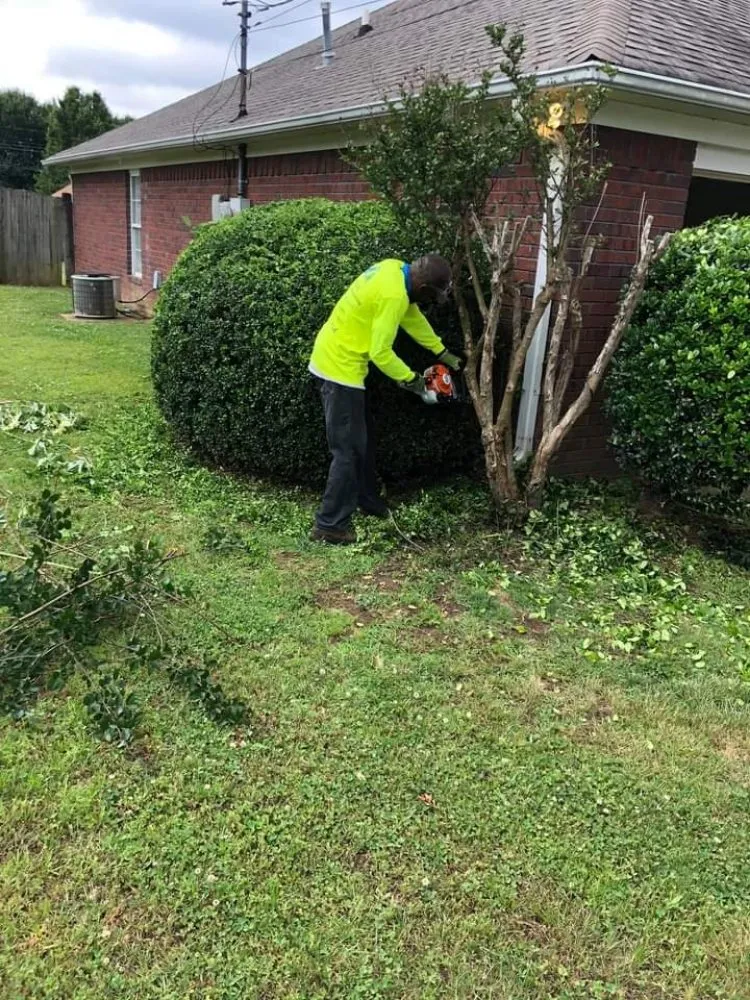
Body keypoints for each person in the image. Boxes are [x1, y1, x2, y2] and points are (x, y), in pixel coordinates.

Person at [308, 254, 463, 545]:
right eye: (433, 295)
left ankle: (367, 501)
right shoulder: (394, 294)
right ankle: (329, 525)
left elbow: (411, 316)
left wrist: (442, 352)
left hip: (340, 359)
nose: (431, 301)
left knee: (361, 441)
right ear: (424, 287)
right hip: (338, 369)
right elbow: (381, 353)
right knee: (347, 451)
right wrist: (416, 383)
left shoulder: (395, 270)